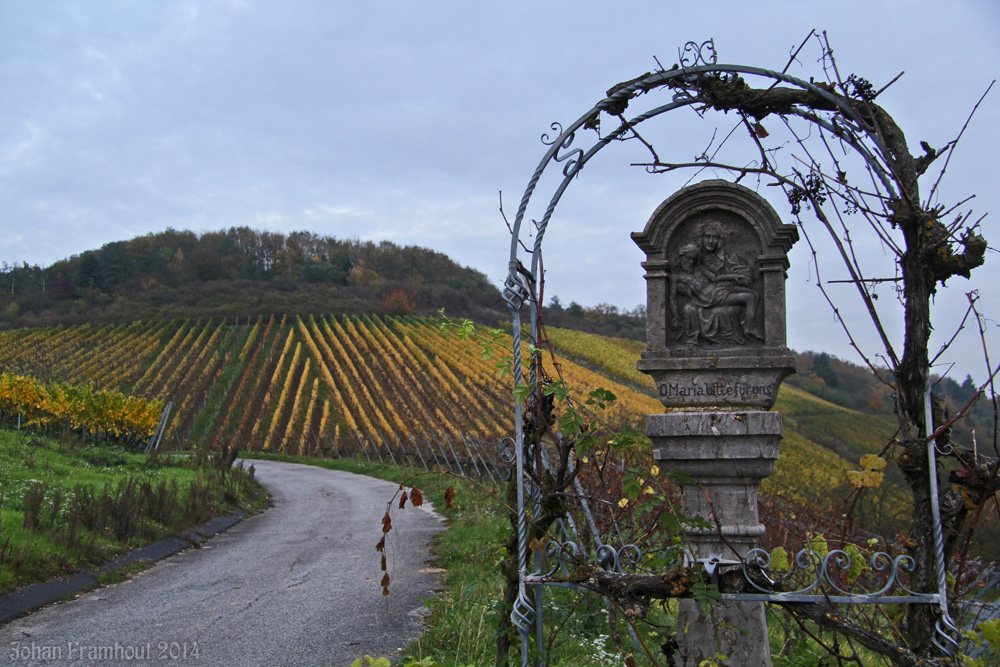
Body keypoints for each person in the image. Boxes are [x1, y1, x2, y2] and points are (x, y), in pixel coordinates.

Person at [670, 239, 761, 347]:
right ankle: (750, 328)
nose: (691, 262)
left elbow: (715, 278)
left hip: (719, 290)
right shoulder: (676, 277)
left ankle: (748, 325)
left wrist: (735, 276)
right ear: (681, 257)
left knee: (755, 294)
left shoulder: (698, 268)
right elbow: (672, 298)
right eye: (688, 258)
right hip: (713, 299)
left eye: (694, 259)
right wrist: (675, 316)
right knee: (749, 297)